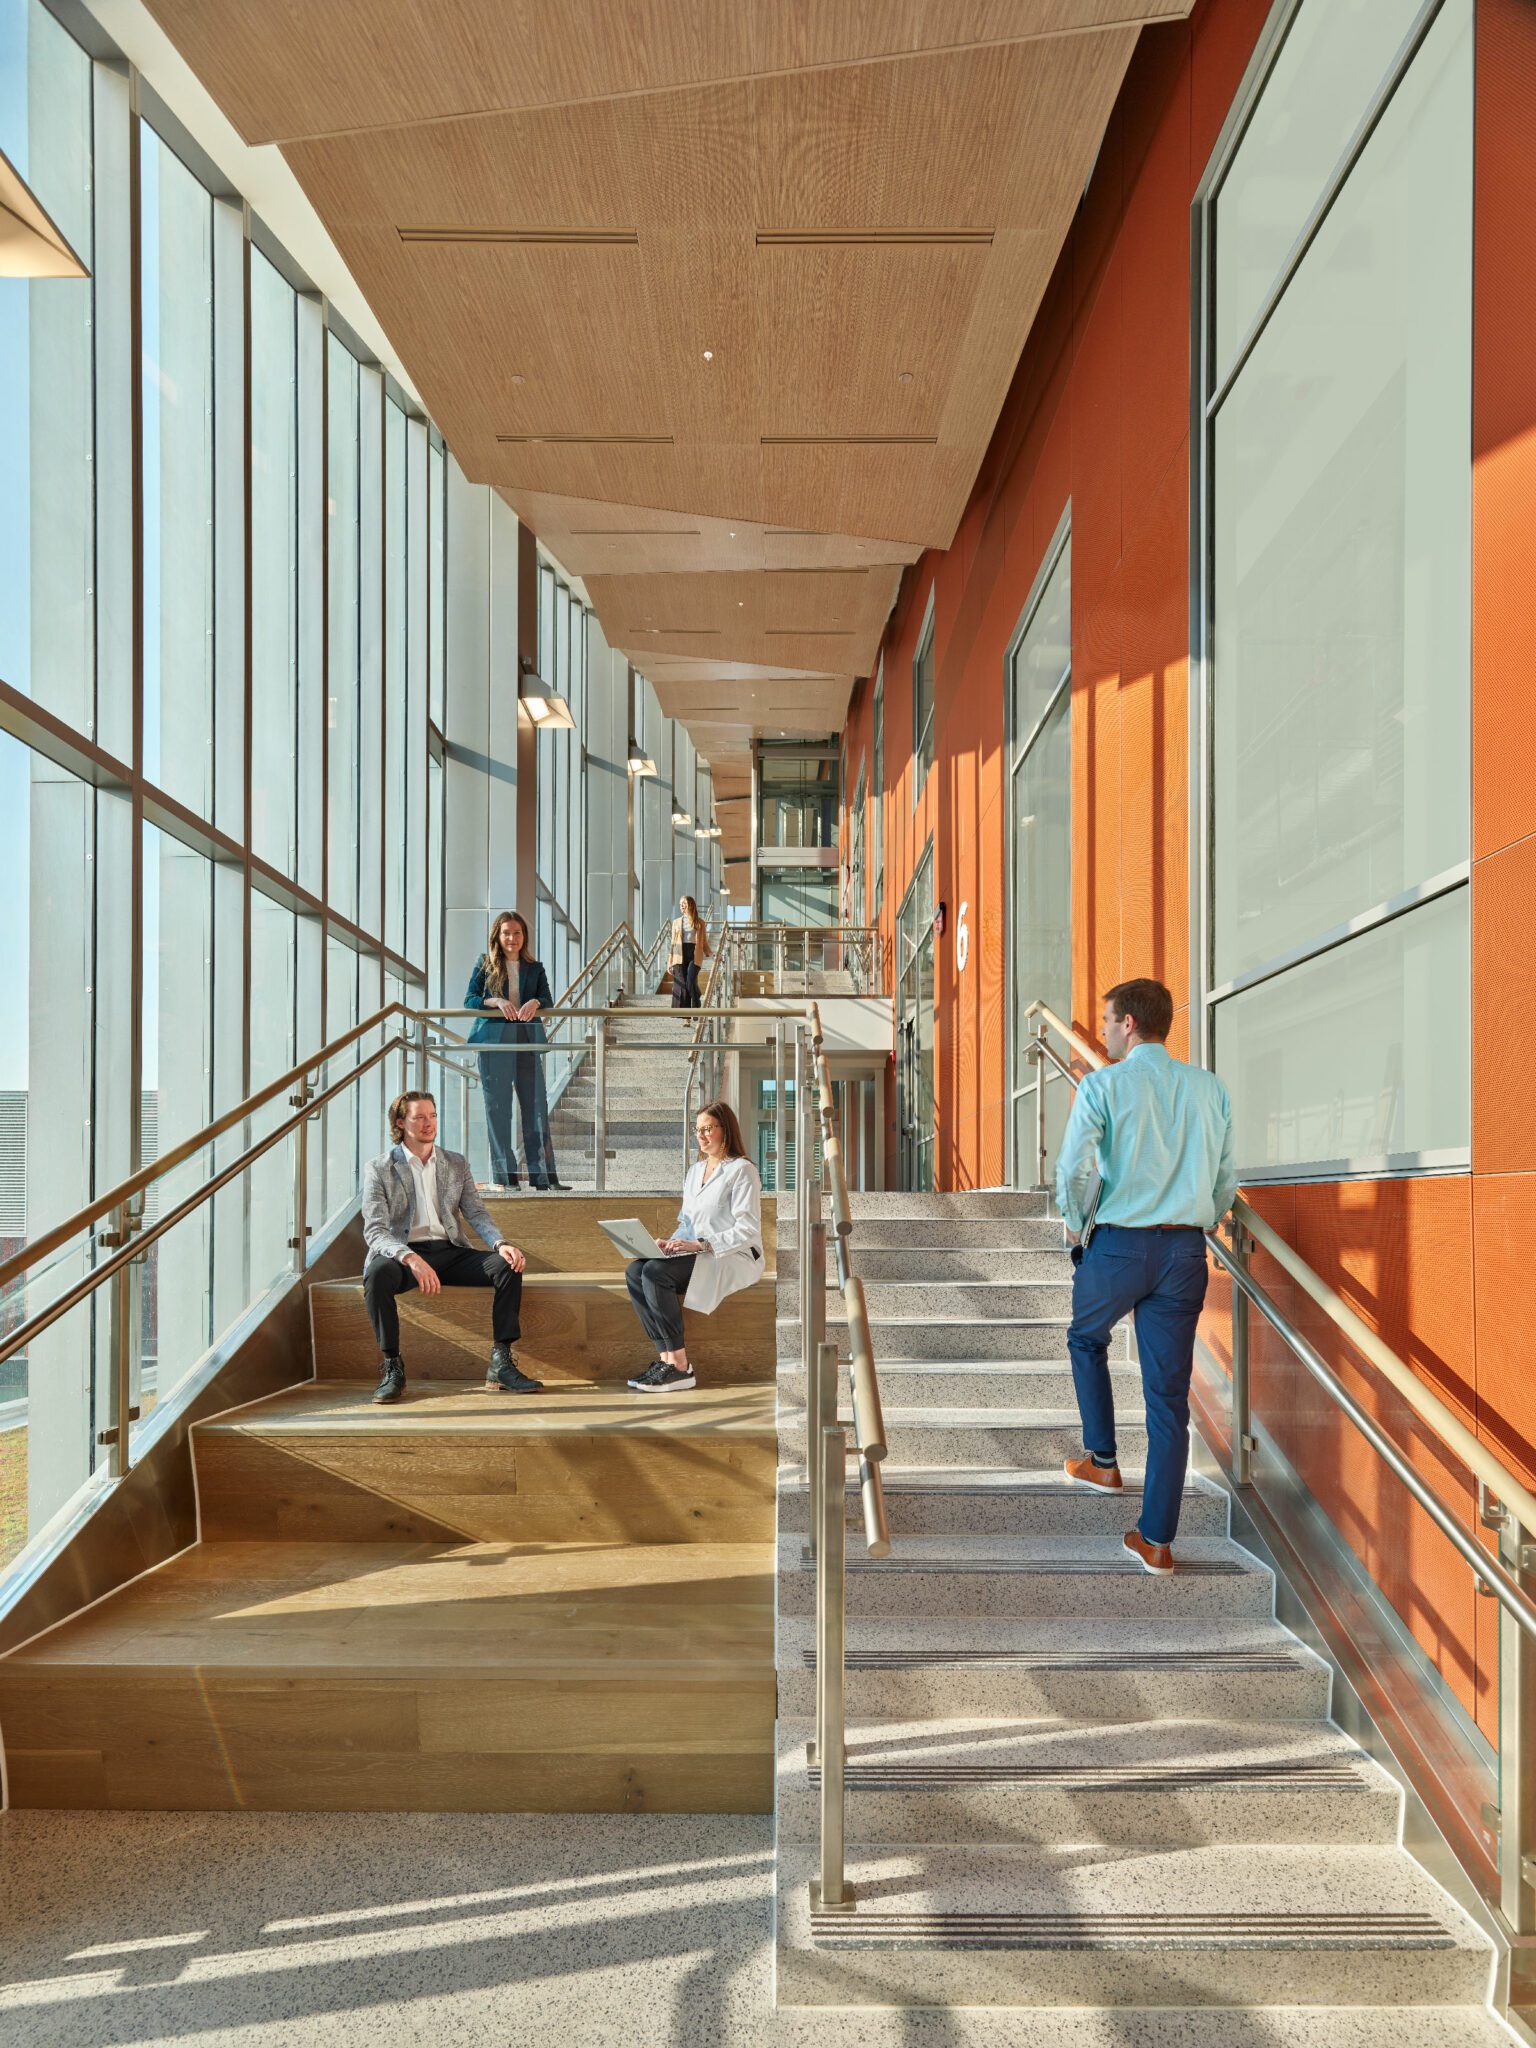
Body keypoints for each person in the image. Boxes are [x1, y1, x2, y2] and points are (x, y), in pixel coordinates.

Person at [1055, 978, 1237, 1575]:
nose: (1103, 1031)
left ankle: (1103, 1460)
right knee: (1167, 1400)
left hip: (1119, 1248)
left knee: (1086, 1338)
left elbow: (1075, 1168)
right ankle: (1157, 1541)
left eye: (1107, 1021)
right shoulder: (1209, 1089)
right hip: (1184, 1252)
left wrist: (1077, 1226)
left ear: (1129, 1023)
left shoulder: (1102, 1085)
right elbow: (1224, 1179)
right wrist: (1198, 1220)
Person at [361, 1090, 541, 1404]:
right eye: (419, 1117)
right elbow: (375, 1230)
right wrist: (410, 1257)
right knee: (377, 1274)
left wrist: (500, 1243)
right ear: (401, 1123)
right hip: (404, 1255)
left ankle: (500, 1361)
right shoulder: (380, 1168)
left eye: (432, 1115)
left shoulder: (455, 1163)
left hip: (450, 1250)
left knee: (507, 1265)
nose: (428, 1123)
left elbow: (476, 1212)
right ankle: (393, 1367)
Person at [624, 1100, 763, 1392]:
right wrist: (671, 1243)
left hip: (731, 1255)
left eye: (707, 1128)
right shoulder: (694, 1172)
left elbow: (747, 1229)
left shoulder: (742, 1170)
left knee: (654, 1274)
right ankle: (665, 1359)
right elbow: (687, 1222)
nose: (701, 1135)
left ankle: (680, 1367)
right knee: (635, 1271)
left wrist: (701, 1244)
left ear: (725, 1130)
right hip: (696, 1249)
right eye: (697, 1129)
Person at [464, 910, 562, 1191]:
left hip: (526, 1041)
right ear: (498, 936)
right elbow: (470, 998)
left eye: (517, 933)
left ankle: (543, 1177)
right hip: (494, 1045)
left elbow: (547, 999)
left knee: (536, 1108)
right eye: (506, 933)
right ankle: (505, 1178)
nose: (512, 938)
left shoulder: (535, 967)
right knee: (498, 1111)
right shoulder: (485, 964)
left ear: (524, 937)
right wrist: (494, 1001)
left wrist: (534, 1002)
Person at [668, 894, 710, 1009]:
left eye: (684, 903)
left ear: (690, 905)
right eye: (680, 904)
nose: (681, 906)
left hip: (694, 954)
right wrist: (670, 961)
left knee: (690, 981)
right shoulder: (676, 922)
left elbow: (704, 942)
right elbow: (673, 943)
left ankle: (696, 1001)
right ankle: (687, 1017)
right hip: (679, 954)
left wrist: (712, 954)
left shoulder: (700, 922)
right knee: (683, 987)